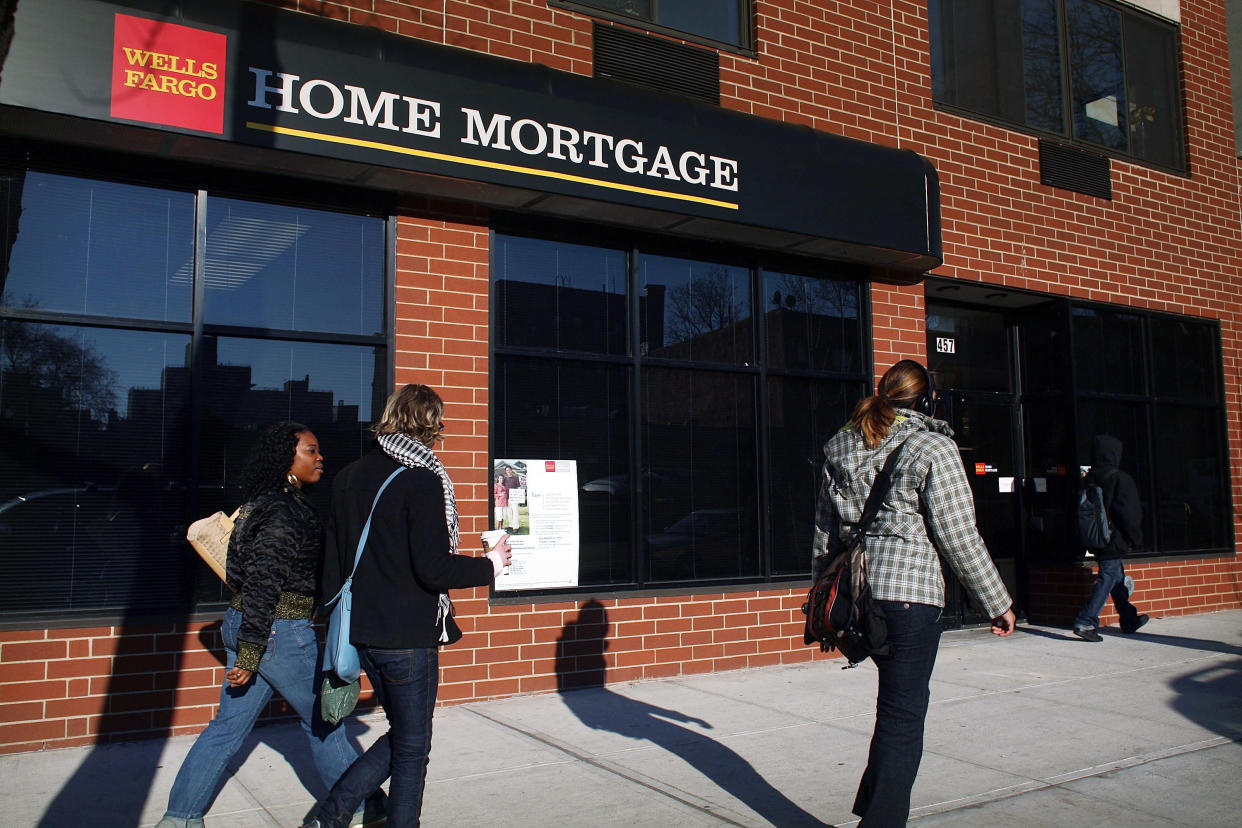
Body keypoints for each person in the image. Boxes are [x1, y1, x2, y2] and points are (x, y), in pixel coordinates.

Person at [813, 359, 1016, 827]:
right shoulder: (934, 447)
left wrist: (824, 597)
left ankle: (875, 808)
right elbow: (958, 535)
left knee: (894, 710)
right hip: (911, 597)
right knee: (903, 713)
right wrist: (996, 601)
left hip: (858, 596)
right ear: (927, 400)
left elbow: (825, 534)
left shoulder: (841, 445)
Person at [302, 384, 512, 828]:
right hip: (408, 638)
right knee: (414, 748)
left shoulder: (348, 477)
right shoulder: (421, 480)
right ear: (431, 425)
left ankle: (332, 813)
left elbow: (333, 563)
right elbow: (434, 569)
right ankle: (339, 814)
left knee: (406, 737)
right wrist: (490, 565)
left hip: (361, 633)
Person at [157, 422, 381, 828]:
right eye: (311, 451)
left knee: (226, 729)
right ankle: (366, 806)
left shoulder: (262, 503)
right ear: (287, 460)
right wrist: (251, 650)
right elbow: (263, 583)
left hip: (251, 625)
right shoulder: (283, 512)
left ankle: (179, 818)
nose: (320, 458)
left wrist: (250, 645)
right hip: (277, 631)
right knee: (323, 721)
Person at [1072, 434, 1150, 642]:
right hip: (1114, 539)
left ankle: (1129, 618)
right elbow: (1129, 513)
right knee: (1109, 576)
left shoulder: (1087, 479)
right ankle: (1086, 621)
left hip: (1095, 538)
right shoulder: (1119, 478)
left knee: (1116, 577)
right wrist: (1136, 539)